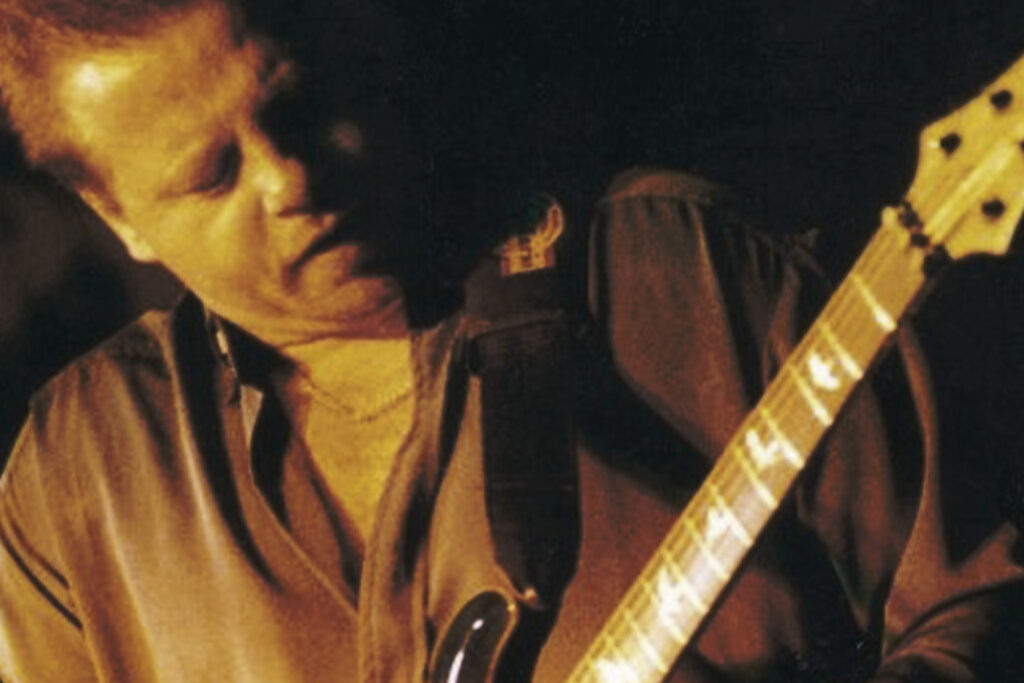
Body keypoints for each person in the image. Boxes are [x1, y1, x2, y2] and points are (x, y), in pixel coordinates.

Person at [1, 0, 1022, 680]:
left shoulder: (678, 275)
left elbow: (987, 593)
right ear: (119, 218)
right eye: (211, 175)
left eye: (295, 106)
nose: (290, 179)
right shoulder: (76, 478)